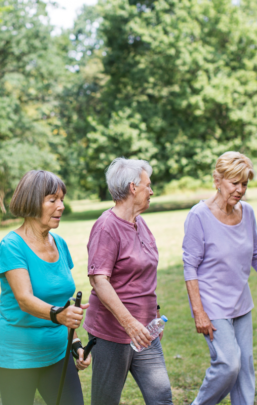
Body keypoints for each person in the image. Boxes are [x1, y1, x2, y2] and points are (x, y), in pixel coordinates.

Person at [182, 152, 257, 405]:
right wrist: (199, 312)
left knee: (245, 368)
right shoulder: (198, 216)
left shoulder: (248, 212)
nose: (240, 189)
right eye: (235, 183)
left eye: (245, 184)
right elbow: (190, 268)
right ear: (217, 180)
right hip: (212, 305)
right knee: (229, 364)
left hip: (241, 302)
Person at [0, 170, 91, 405]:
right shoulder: (12, 245)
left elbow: (65, 303)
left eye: (62, 200)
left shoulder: (60, 243)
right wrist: (59, 315)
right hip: (17, 355)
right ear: (33, 202)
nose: (61, 206)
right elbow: (24, 299)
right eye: (53, 200)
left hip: (57, 351)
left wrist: (75, 343)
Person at [83, 157, 173, 405]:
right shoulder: (106, 227)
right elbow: (98, 280)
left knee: (162, 398)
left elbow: (144, 274)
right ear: (133, 188)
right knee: (105, 401)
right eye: (148, 185)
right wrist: (130, 324)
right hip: (112, 333)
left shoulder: (140, 224)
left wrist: (152, 315)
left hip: (145, 332)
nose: (151, 191)